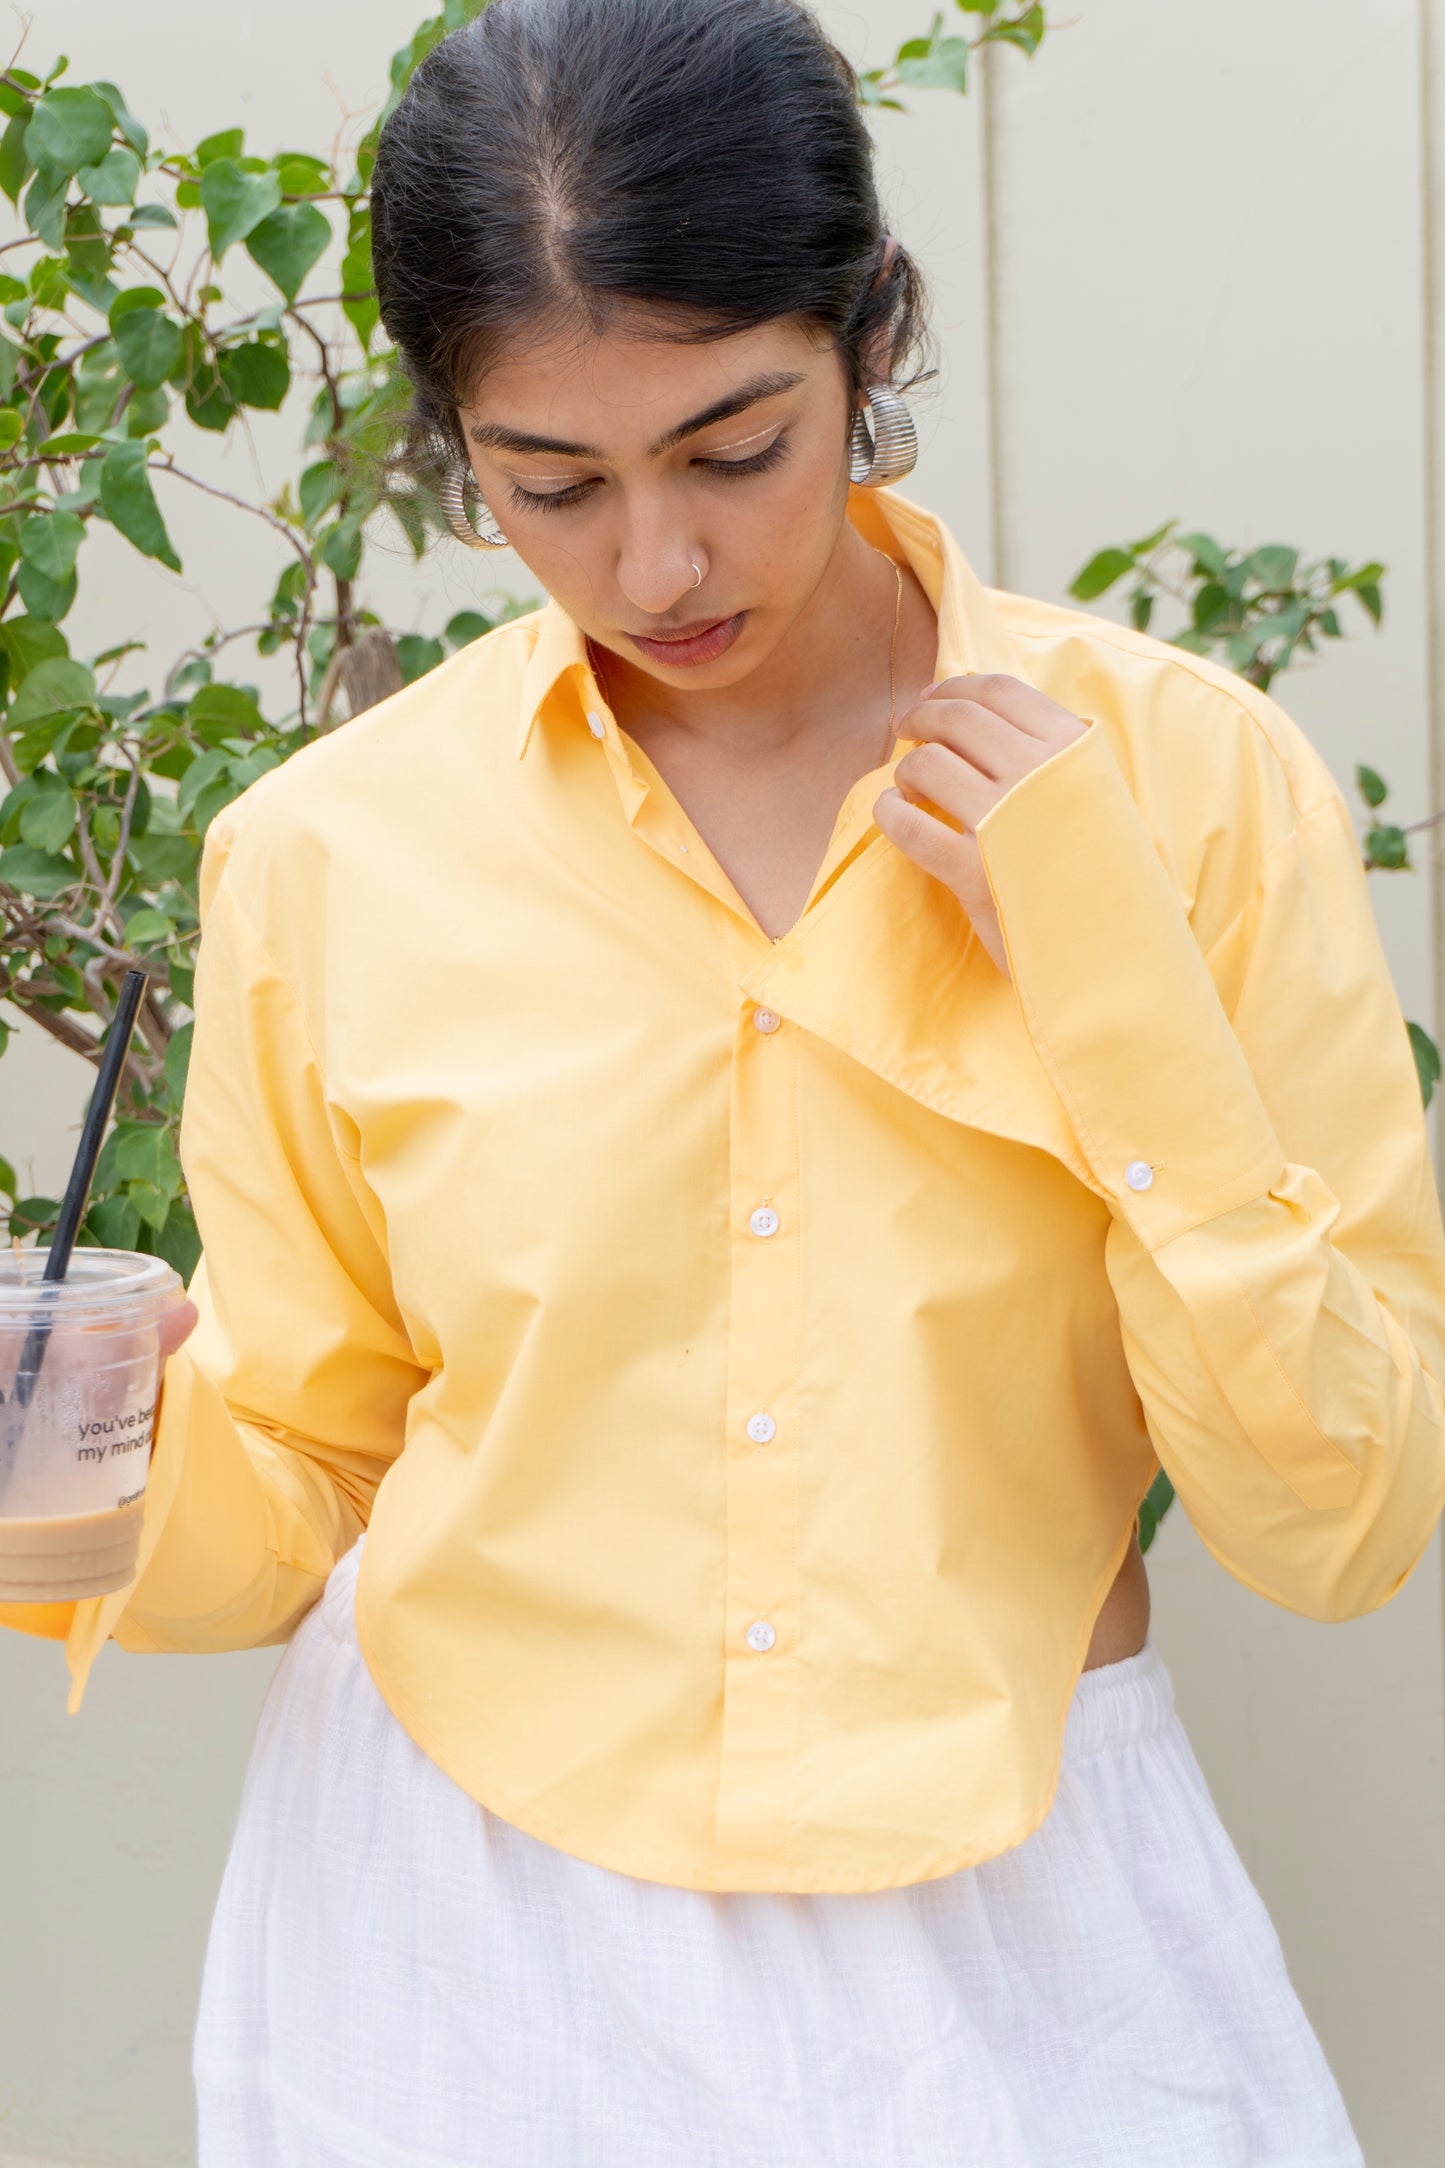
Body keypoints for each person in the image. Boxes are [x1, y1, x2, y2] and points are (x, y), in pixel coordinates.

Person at [6, 0, 1443, 2158]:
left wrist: (1113, 993)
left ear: (870, 337)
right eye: (551, 487)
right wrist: (71, 1461)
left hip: (1020, 1905)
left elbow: (1342, 1525)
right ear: (455, 443)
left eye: (734, 449)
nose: (656, 567)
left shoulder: (1190, 787)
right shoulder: (327, 854)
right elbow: (302, 1482)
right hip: (453, 1932)